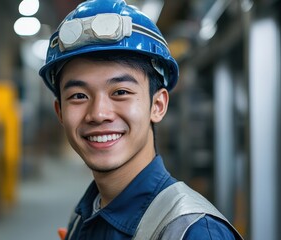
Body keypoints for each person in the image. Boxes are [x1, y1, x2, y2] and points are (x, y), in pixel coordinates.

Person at [39, 0, 243, 239]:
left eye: (121, 92)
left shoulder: (194, 232)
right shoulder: (84, 216)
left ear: (157, 105)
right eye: (79, 96)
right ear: (60, 112)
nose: (98, 114)